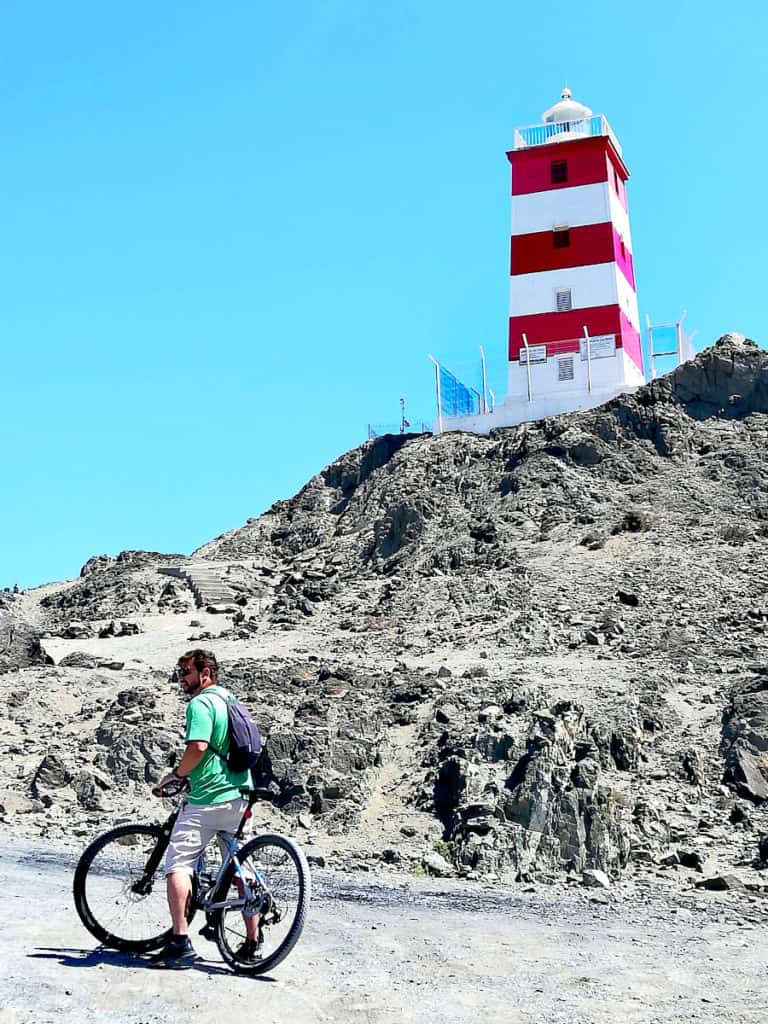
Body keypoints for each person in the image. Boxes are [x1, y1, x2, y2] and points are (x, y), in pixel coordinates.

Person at [151, 648, 259, 967]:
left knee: (179, 863)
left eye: (186, 671)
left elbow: (197, 747)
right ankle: (252, 942)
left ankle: (180, 941)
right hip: (241, 794)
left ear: (205, 674)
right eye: (180, 671)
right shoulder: (230, 699)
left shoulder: (200, 703)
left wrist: (177, 775)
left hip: (208, 798)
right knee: (241, 867)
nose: (181, 678)